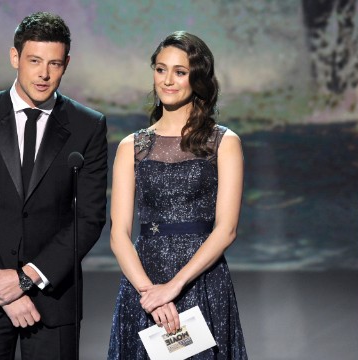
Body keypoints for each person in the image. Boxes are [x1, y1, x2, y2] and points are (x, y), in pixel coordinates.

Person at [0, 11, 108, 360]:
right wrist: (5, 289)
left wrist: (28, 278)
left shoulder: (87, 126)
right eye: (34, 61)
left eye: (55, 64)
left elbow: (90, 218)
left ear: (66, 64)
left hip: (53, 298)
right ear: (15, 57)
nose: (44, 74)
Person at [106, 31, 248, 359]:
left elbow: (226, 229)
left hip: (201, 282)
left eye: (180, 72)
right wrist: (149, 293)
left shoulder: (224, 142)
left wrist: (173, 287)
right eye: (160, 69)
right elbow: (118, 234)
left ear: (196, 79)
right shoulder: (132, 146)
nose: (168, 80)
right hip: (144, 284)